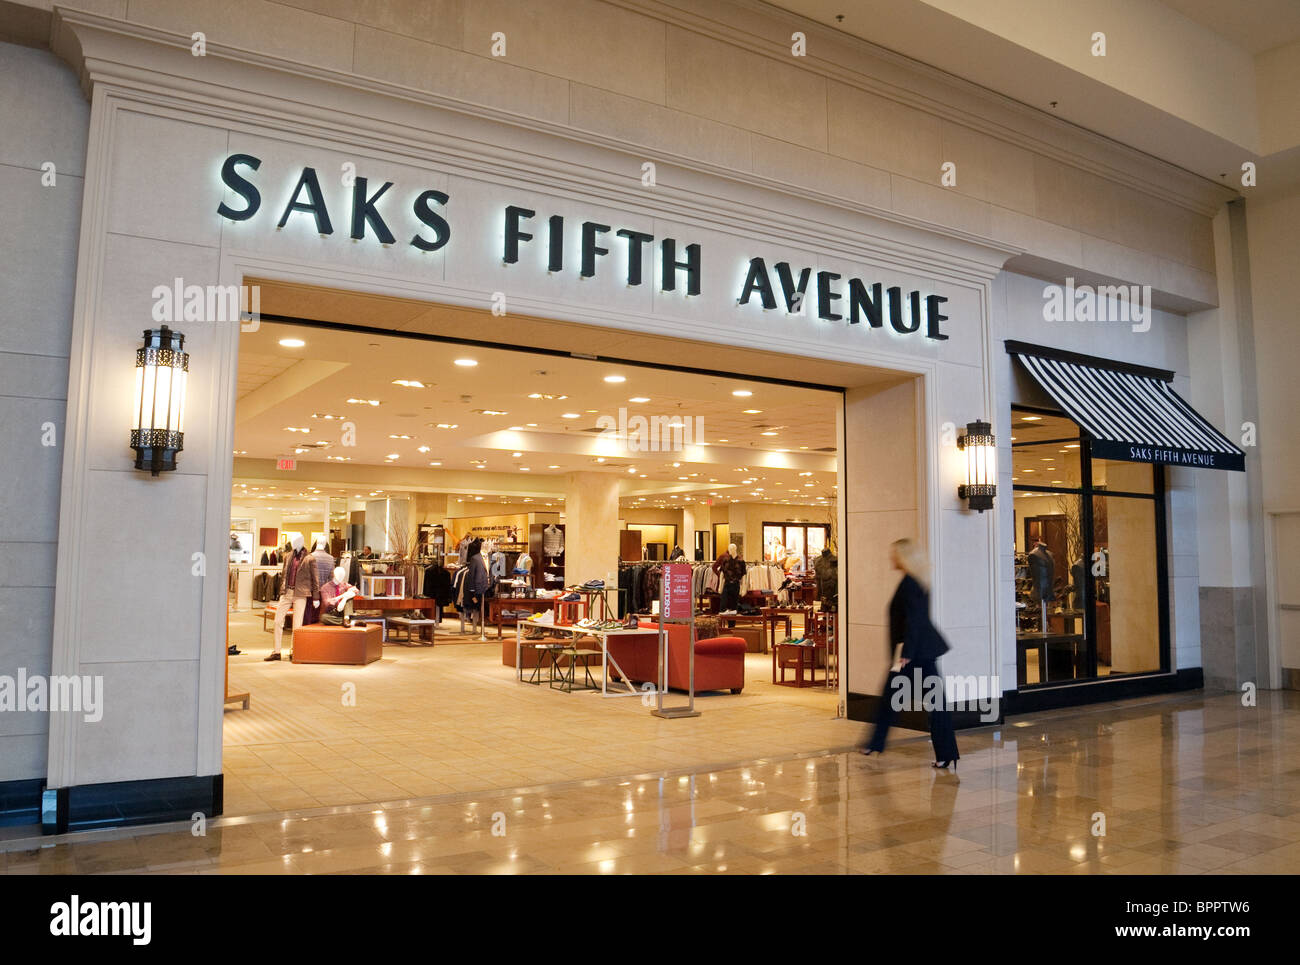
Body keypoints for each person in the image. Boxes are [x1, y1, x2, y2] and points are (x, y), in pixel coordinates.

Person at [860, 538, 959, 768]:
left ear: (904, 557)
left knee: (894, 700)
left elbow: (915, 621)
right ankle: (946, 754)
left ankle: (875, 744)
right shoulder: (914, 581)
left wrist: (906, 652)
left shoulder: (911, 583)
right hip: (920, 651)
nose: (891, 558)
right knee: (930, 703)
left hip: (914, 654)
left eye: (894, 554)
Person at [266, 536, 321, 661]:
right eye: (293, 540)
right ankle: (277, 651)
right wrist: (282, 590)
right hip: (287, 592)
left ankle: (294, 650)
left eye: (297, 540)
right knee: (277, 620)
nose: (295, 542)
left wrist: (316, 597)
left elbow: (315, 580)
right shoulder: (288, 556)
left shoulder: (310, 558)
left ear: (302, 542)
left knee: (297, 624)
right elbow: (284, 574)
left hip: (301, 594)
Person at [712, 543, 745, 614]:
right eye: (729, 549)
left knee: (733, 608)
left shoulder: (741, 561)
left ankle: (731, 624)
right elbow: (721, 573)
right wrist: (720, 586)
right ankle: (723, 622)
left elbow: (744, 575)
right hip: (727, 584)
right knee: (723, 606)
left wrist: (743, 588)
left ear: (735, 549)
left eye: (731, 549)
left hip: (736, 584)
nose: (729, 550)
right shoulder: (725, 560)